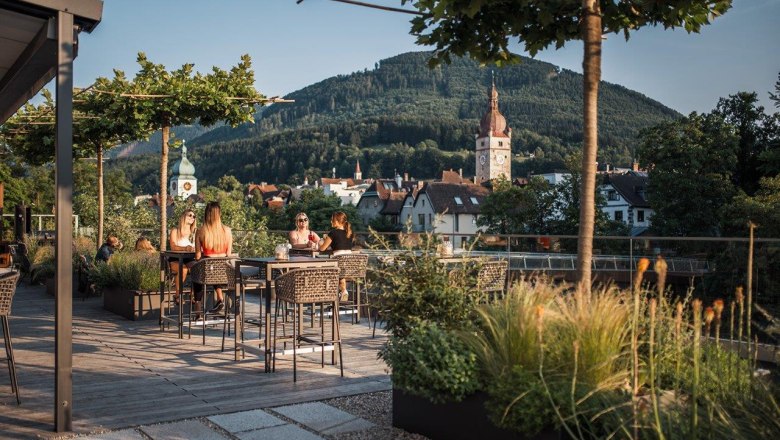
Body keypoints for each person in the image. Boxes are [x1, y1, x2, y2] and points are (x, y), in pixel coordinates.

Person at [194, 201, 233, 313]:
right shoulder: (227, 231)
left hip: (207, 269)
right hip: (223, 271)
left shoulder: (201, 231)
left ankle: (197, 308)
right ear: (219, 214)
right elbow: (229, 254)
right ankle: (220, 298)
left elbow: (197, 255)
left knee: (196, 273)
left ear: (207, 214)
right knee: (215, 268)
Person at [319, 211, 353, 301]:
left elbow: (322, 249)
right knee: (340, 271)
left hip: (339, 264)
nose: (331, 222)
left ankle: (330, 295)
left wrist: (320, 243)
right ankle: (343, 291)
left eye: (332, 220)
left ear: (337, 221)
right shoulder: (349, 233)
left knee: (327, 269)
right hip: (350, 265)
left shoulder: (333, 233)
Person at [169, 209, 197, 297]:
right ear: (183, 217)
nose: (192, 217)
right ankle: (178, 294)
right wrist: (185, 248)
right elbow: (173, 246)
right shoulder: (175, 231)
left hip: (190, 258)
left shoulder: (195, 233)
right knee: (183, 269)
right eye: (190, 215)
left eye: (194, 216)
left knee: (197, 269)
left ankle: (193, 295)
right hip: (176, 258)